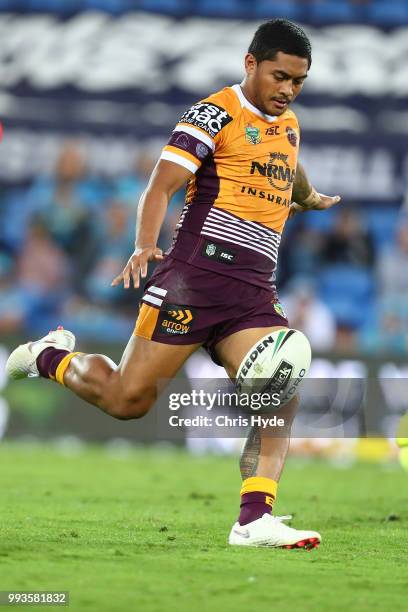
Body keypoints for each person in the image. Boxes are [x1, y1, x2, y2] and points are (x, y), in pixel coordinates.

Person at [6, 19, 340, 549]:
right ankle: (48, 356)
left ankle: (254, 518)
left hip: (251, 291)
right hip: (193, 279)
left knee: (281, 386)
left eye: (298, 81)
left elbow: (288, 164)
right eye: (280, 76)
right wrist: (143, 244)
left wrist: (309, 195)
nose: (287, 90)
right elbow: (160, 185)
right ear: (251, 63)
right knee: (126, 400)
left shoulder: (288, 122)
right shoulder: (213, 114)